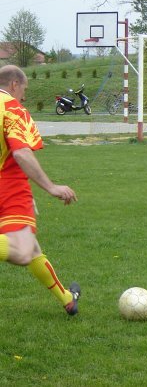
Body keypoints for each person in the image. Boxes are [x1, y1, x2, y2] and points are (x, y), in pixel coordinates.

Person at [0, 65, 81, 316]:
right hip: (8, 185)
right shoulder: (12, 108)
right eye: (24, 90)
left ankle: (67, 299)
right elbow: (21, 153)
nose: (24, 96)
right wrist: (51, 187)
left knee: (32, 248)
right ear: (14, 84)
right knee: (23, 250)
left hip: (10, 185)